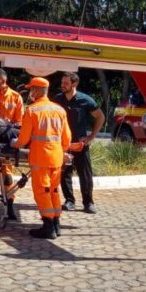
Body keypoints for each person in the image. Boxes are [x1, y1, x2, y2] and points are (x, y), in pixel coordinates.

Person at [14, 76, 71, 239]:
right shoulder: (60, 110)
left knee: (42, 191)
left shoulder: (32, 110)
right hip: (56, 157)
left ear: (37, 91)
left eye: (31, 89)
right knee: (53, 190)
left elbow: (23, 139)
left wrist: (15, 144)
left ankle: (48, 226)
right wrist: (61, 151)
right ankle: (56, 224)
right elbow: (67, 138)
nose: (30, 92)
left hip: (41, 158)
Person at [52, 72, 105, 214]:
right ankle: (69, 200)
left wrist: (91, 137)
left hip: (81, 145)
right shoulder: (57, 99)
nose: (62, 86)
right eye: (62, 83)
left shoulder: (85, 100)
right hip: (63, 144)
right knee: (64, 173)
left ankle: (88, 203)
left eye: (66, 84)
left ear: (74, 84)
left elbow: (100, 116)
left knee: (85, 174)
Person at [0, 67, 24, 221]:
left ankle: (9, 205)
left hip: (7, 139)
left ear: (3, 80)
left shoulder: (15, 97)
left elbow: (20, 122)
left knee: (7, 176)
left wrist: (9, 125)